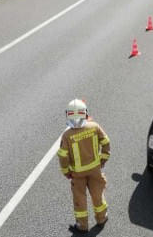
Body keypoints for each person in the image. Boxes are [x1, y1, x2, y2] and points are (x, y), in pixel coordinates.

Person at [57, 99, 111, 234]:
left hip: (77, 174)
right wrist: (103, 160)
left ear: (68, 115)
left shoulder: (67, 135)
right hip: (95, 170)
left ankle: (82, 226)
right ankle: (101, 218)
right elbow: (106, 142)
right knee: (97, 194)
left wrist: (66, 172)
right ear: (85, 113)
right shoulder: (94, 127)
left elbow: (63, 156)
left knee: (79, 199)